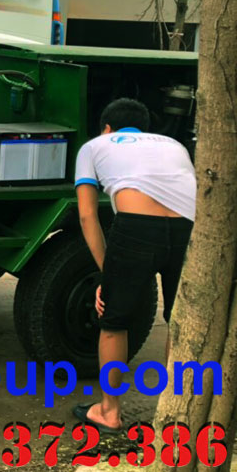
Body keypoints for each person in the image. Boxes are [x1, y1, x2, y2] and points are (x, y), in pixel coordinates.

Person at [72, 98, 196, 433]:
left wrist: (107, 273)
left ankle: (109, 412)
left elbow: (87, 215)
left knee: (114, 322)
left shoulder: (94, 146)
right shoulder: (173, 144)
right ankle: (175, 414)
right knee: (179, 322)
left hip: (136, 227)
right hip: (188, 228)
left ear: (107, 128)